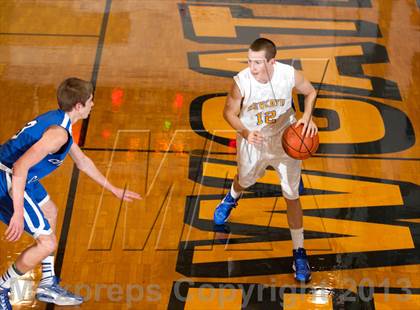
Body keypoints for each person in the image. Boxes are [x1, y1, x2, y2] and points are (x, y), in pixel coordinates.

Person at [0, 78, 141, 309]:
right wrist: (17, 212)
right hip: (7, 178)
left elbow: (83, 162)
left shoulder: (61, 123)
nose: (93, 104)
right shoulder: (58, 135)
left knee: (50, 211)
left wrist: (114, 189)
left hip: (18, 176)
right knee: (46, 243)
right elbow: (20, 167)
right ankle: (2, 287)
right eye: (90, 101)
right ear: (78, 105)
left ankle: (47, 283)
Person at [213, 38, 318, 283]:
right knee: (245, 180)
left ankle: (299, 253)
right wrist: (247, 133)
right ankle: (232, 196)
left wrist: (307, 116)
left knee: (292, 195)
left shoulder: (288, 75)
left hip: (285, 141)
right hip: (254, 141)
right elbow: (228, 112)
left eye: (258, 62)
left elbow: (311, 91)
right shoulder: (241, 82)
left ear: (272, 62)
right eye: (250, 61)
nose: (252, 67)